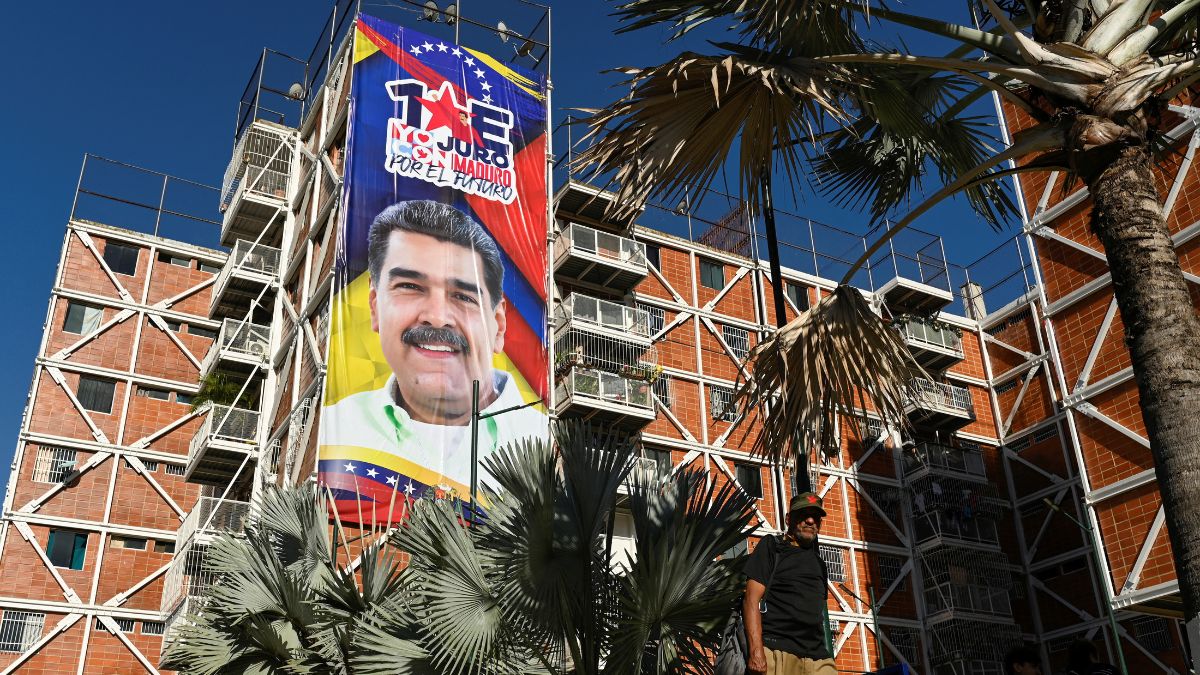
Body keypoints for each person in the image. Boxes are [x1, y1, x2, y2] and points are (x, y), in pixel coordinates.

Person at [323, 200, 545, 492]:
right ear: (375, 307)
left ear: (498, 325)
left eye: (464, 296)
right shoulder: (334, 431)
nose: (438, 318)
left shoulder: (545, 444)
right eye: (411, 287)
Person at [743, 492, 835, 675]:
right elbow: (750, 600)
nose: (810, 521)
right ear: (788, 519)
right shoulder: (772, 547)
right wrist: (756, 651)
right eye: (803, 515)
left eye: (816, 517)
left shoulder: (819, 564)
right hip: (777, 652)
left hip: (818, 658)